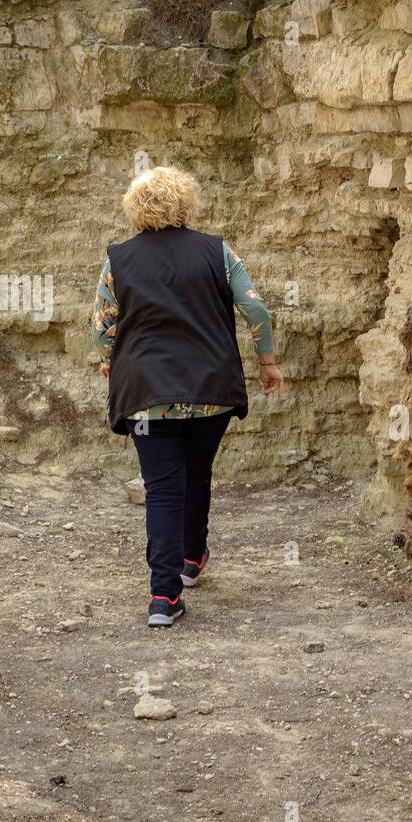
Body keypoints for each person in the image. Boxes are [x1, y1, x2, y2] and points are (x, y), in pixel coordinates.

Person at [90, 166, 283, 626]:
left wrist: (109, 356)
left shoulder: (118, 258)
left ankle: (164, 598)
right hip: (210, 388)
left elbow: (101, 323)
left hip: (147, 392)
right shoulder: (216, 251)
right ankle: (192, 560)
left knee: (161, 489)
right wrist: (267, 362)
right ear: (185, 204)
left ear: (135, 209)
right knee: (198, 472)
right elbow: (254, 306)